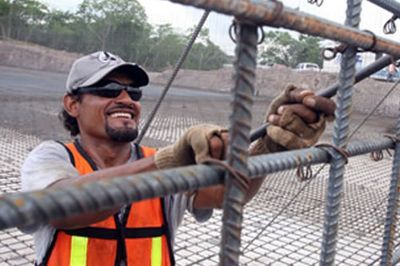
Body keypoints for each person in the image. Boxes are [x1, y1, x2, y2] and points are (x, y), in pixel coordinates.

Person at [20, 51, 335, 265]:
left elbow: (227, 194)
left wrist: (268, 147)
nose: (126, 99)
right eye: (108, 89)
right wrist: (167, 162)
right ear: (73, 105)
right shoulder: (52, 157)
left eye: (134, 93)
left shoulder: (157, 159)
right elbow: (60, 206)